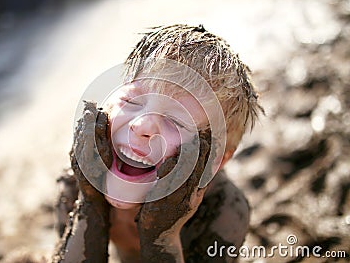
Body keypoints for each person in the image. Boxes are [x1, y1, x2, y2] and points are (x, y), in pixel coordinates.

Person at [52, 24, 263, 263]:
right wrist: (91, 205)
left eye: (175, 120)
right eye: (131, 101)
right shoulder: (75, 183)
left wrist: (163, 236)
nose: (142, 126)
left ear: (215, 161)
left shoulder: (224, 210)